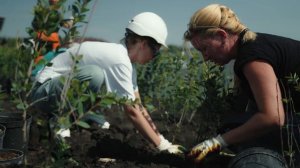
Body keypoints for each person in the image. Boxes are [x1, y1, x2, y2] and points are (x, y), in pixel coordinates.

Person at [30, 12, 184, 154]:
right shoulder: (119, 59)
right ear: (143, 43)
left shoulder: (128, 64)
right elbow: (131, 111)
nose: (155, 56)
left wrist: (164, 142)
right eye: (156, 50)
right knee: (94, 75)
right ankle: (59, 120)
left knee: (97, 77)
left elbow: (138, 105)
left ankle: (75, 116)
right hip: (42, 93)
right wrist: (162, 147)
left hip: (55, 92)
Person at [183, 3, 300, 164]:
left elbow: (273, 117)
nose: (206, 57)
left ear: (221, 35)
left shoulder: (253, 57)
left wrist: (217, 142)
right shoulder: (253, 47)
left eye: (205, 48)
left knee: (249, 140)